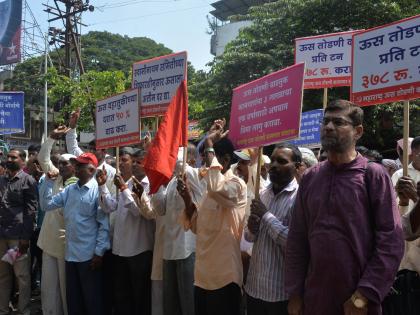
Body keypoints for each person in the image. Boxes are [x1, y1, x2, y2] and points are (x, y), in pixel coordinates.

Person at [285, 100, 404, 315]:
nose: (329, 127)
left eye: (338, 122)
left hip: (358, 304)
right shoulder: (311, 177)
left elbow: (391, 241)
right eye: (326, 121)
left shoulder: (373, 175)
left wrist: (364, 295)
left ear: (358, 131)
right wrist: (295, 294)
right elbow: (297, 238)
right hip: (315, 300)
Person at [178, 119, 246, 315]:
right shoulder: (210, 190)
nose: (206, 163)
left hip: (225, 277)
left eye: (210, 157)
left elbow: (217, 188)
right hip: (203, 277)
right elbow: (198, 227)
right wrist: (187, 199)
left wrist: (209, 143)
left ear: (224, 161)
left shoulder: (236, 185)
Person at [44, 152, 110, 315]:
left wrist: (99, 253)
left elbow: (103, 225)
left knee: (92, 301)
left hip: (89, 257)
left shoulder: (98, 191)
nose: (76, 168)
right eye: (76, 165)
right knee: (74, 301)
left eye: (80, 166)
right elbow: (46, 205)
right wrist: (47, 182)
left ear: (92, 170)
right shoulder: (70, 190)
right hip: (70, 254)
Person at [244, 143, 301, 315]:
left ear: (296, 167)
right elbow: (248, 237)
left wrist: (266, 216)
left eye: (282, 161)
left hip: (279, 294)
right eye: (273, 160)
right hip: (254, 288)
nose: (274, 165)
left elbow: (293, 243)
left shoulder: (299, 198)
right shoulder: (261, 194)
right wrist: (252, 229)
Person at [97, 147, 154, 315]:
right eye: (133, 162)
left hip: (139, 250)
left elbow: (139, 211)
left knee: (140, 296)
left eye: (138, 162)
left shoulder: (150, 185)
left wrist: (123, 189)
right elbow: (110, 206)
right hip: (120, 249)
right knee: (122, 295)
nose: (135, 165)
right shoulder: (126, 184)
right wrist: (102, 186)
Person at [148, 145, 204, 315]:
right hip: (169, 249)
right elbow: (160, 209)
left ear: (191, 159)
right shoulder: (172, 180)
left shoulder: (194, 175)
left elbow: (200, 205)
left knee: (188, 303)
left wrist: (163, 160)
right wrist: (157, 183)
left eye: (175, 155)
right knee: (170, 303)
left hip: (187, 249)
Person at [37, 126, 78, 315]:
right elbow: (42, 159)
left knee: (65, 291)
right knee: (48, 289)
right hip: (48, 241)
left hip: (66, 245)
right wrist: (52, 138)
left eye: (65, 164)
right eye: (59, 163)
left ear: (75, 168)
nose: (60, 166)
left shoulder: (79, 185)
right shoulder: (54, 176)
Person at [383, 136, 420, 314]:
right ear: (412, 154)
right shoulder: (400, 175)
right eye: (418, 151)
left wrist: (416, 198)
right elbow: (397, 218)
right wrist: (404, 200)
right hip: (405, 248)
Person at [0, 148, 38, 315]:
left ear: (22, 160)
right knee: (3, 276)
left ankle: (24, 311)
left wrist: (25, 238)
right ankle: (2, 309)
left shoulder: (28, 181)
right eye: (8, 156)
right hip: (1, 236)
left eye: (13, 157)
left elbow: (31, 211)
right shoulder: (1, 180)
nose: (9, 159)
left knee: (21, 277)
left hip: (17, 237)